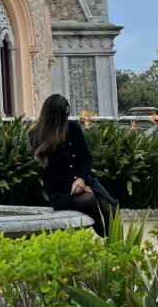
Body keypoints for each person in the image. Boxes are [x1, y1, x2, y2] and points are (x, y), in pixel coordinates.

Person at [29, 94, 117, 236]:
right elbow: (47, 173)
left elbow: (86, 156)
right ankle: (106, 237)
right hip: (60, 189)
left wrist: (82, 179)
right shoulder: (36, 135)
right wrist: (75, 186)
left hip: (84, 180)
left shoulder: (73, 128)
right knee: (88, 201)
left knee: (110, 209)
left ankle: (115, 244)